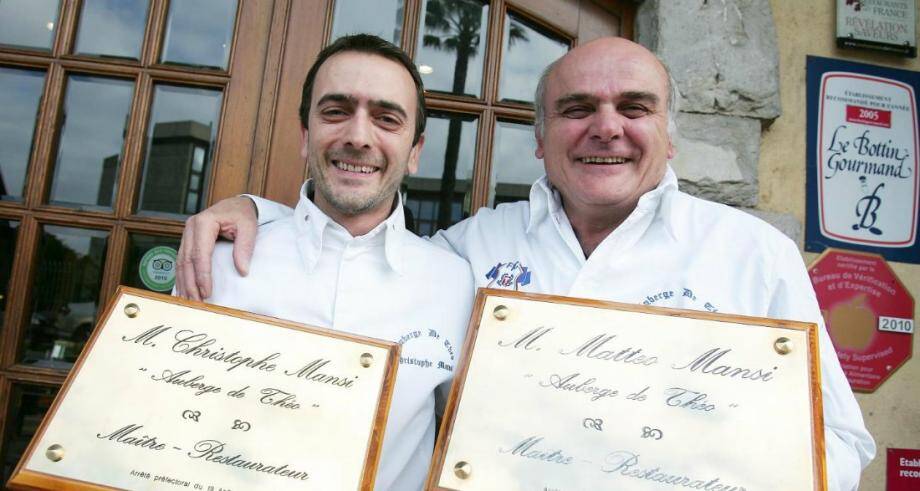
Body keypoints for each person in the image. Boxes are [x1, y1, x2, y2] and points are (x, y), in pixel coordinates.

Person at [176, 37, 875, 490]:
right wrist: (260, 213)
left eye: (635, 107)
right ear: (540, 139)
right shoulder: (470, 253)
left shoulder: (754, 256)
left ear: (670, 134)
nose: (606, 126)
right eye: (577, 109)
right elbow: (358, 251)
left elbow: (841, 442)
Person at [190, 34, 475, 491]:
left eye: (386, 118)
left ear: (415, 151)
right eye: (336, 112)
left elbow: (466, 439)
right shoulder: (214, 261)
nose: (358, 137)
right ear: (306, 135)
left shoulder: (456, 281)